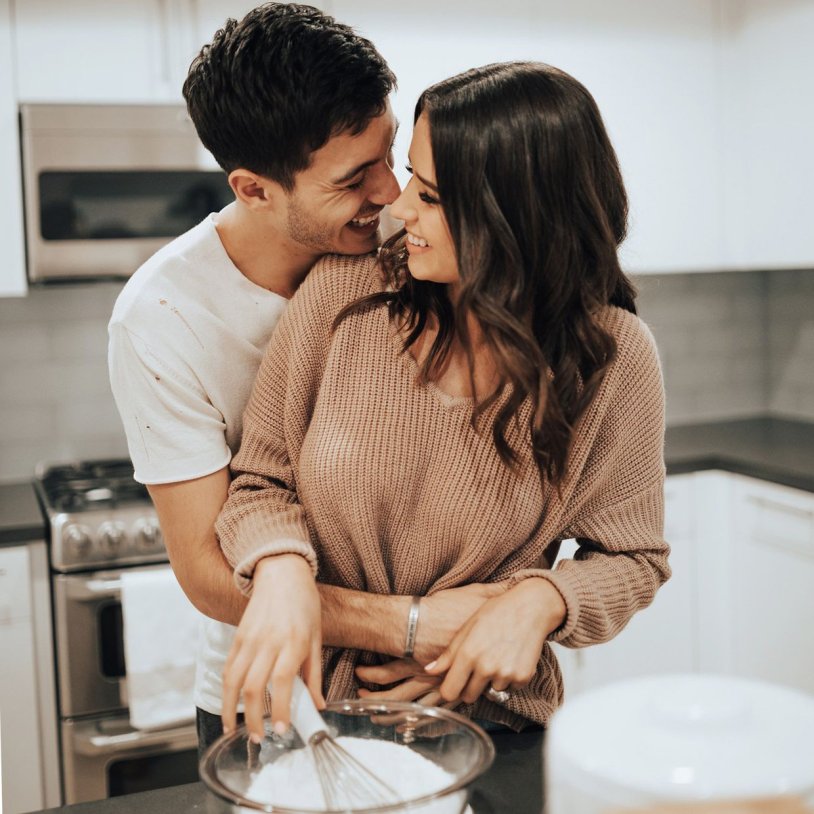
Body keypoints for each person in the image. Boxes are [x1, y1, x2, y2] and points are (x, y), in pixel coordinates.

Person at [216, 60, 672, 743]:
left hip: (493, 725)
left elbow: (633, 557)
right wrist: (283, 574)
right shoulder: (344, 297)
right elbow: (259, 482)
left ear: (514, 218)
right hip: (312, 717)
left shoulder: (610, 356)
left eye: (429, 195)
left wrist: (536, 602)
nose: (397, 209)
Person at [108, 2, 402, 752]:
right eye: (354, 178)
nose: (392, 194)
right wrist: (412, 625)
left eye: (390, 154)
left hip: (433, 683)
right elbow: (207, 571)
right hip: (278, 694)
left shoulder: (414, 245)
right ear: (254, 188)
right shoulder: (162, 315)